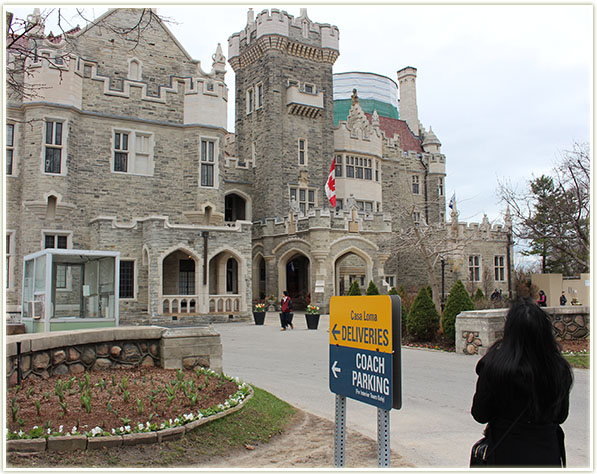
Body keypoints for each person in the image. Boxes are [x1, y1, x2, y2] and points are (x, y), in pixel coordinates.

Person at [471, 299, 573, 466]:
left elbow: (480, 414)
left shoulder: (494, 366)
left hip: (505, 453)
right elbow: (561, 416)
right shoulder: (558, 368)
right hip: (546, 454)